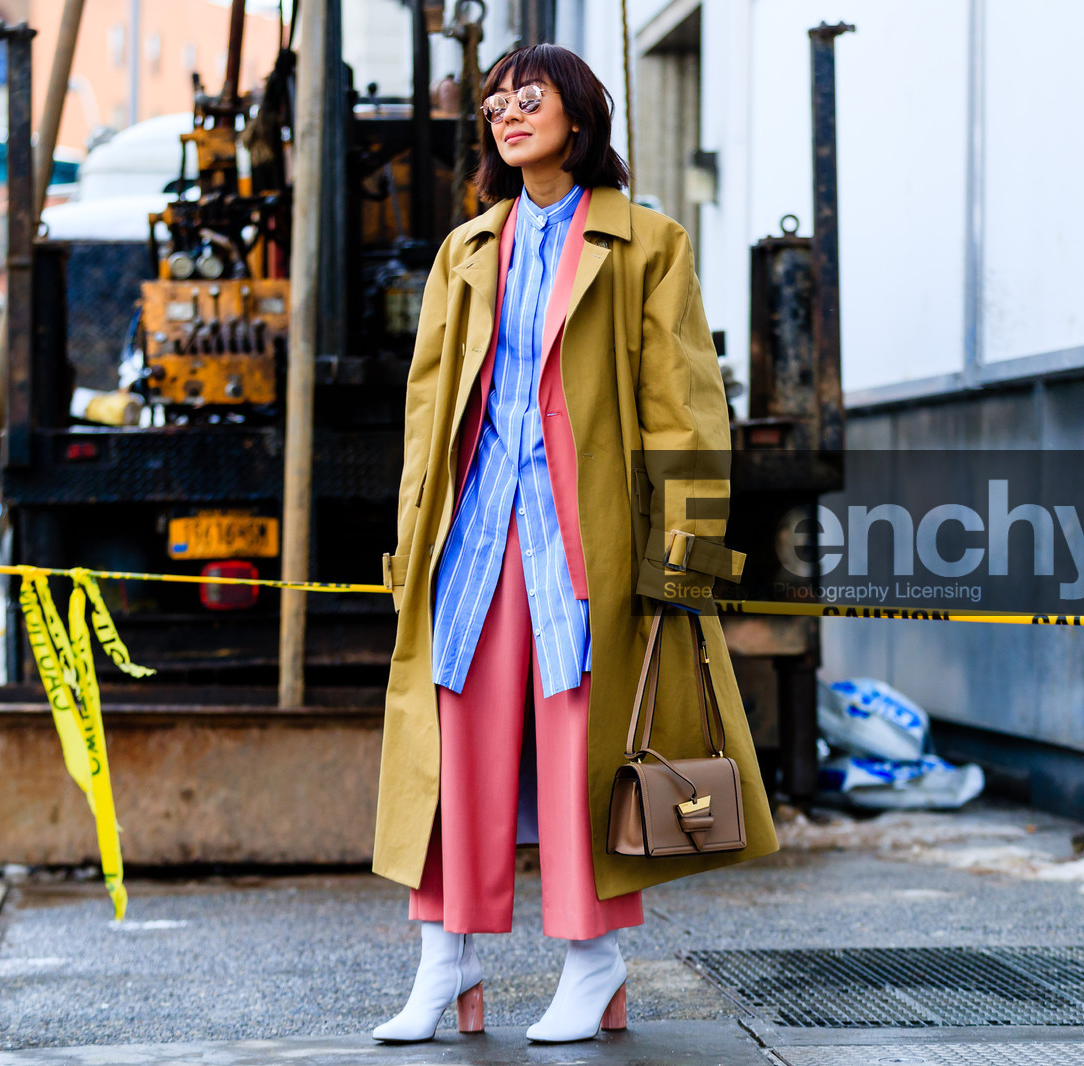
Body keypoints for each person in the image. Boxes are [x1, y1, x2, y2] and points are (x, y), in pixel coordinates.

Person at [369, 43, 777, 1045]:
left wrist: (686, 562)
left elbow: (689, 413)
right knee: (450, 743)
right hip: (471, 537)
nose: (508, 112)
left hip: (581, 540)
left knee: (577, 748)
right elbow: (427, 416)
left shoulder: (647, 244)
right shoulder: (464, 250)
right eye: (497, 101)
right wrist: (404, 547)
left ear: (580, 116)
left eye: (530, 96)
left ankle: (592, 964)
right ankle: (444, 965)